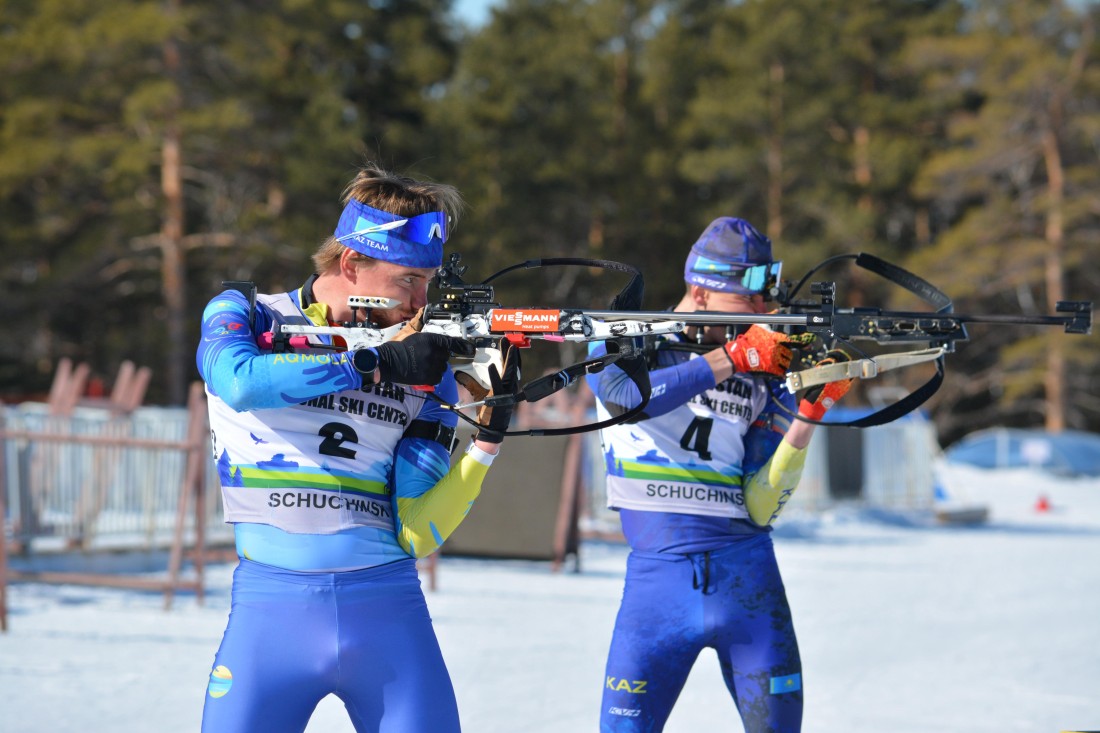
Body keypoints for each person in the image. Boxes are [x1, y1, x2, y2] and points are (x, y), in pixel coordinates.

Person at [195, 163, 519, 733]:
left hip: (388, 611)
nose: (421, 303)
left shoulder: (427, 369)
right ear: (351, 264)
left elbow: (416, 528)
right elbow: (239, 381)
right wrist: (370, 362)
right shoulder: (246, 312)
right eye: (407, 281)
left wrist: (488, 438)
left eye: (429, 281)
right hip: (270, 615)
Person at [586, 217, 852, 733]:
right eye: (748, 301)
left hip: (749, 580)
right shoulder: (631, 335)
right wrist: (728, 359)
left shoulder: (761, 363)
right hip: (657, 586)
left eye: (765, 304)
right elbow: (620, 396)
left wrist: (805, 420)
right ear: (700, 291)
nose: (762, 316)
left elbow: (760, 504)